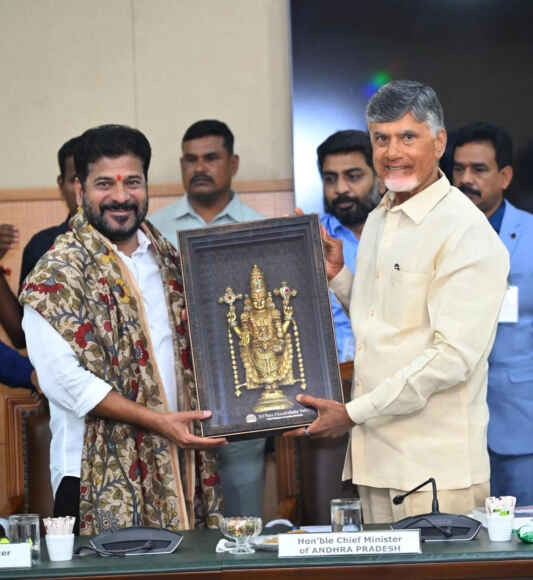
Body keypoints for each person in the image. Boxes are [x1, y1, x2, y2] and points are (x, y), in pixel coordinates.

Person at [287, 80, 509, 524]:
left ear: (439, 142)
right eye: (381, 138)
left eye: (408, 137)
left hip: (434, 473)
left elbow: (452, 357)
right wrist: (339, 277)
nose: (392, 152)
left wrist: (351, 413)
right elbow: (384, 324)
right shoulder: (380, 217)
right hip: (375, 462)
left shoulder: (465, 231)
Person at [20, 124, 226, 535]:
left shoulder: (170, 260)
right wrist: (157, 421)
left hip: (180, 463)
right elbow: (64, 383)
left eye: (132, 182)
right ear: (79, 190)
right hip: (90, 476)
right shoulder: (55, 274)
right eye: (104, 184)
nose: (120, 196)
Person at [150, 120, 266, 518]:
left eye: (210, 158)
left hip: (242, 384)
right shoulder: (153, 230)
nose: (199, 167)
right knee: (175, 505)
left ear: (233, 163)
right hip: (171, 385)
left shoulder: (260, 227)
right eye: (190, 159)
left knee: (243, 504)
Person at [451, 122, 533, 505]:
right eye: (459, 169)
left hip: (519, 420)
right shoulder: (435, 237)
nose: (466, 179)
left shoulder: (531, 235)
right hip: (451, 425)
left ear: (505, 176)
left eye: (479, 169)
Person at [318, 130, 380, 362]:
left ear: (380, 179)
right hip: (332, 375)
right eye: (330, 179)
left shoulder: (403, 236)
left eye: (353, 176)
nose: (341, 188)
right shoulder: (314, 240)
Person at [19, 136, 80, 287]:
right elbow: (24, 303)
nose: (83, 189)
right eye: (76, 179)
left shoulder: (129, 242)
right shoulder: (41, 245)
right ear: (61, 184)